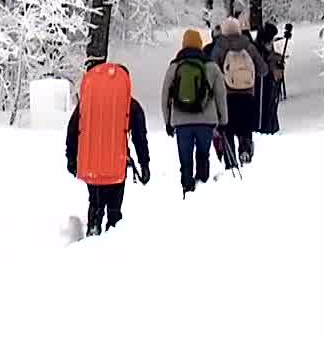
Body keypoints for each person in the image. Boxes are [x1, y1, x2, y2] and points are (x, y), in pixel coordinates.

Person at [64, 70, 151, 237]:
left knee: (95, 203)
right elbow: (140, 137)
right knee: (114, 209)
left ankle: (93, 229)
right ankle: (112, 236)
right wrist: (144, 163)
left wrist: (71, 158)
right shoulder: (130, 104)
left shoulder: (87, 103)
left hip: (91, 163)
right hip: (116, 164)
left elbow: (72, 131)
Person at [161, 29, 227, 196]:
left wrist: (167, 121)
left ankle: (187, 188)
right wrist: (223, 120)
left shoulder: (175, 67)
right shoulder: (211, 66)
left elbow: (165, 96)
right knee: (203, 154)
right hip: (206, 120)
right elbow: (220, 94)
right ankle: (202, 186)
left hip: (181, 121)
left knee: (185, 158)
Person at [208, 16, 265, 164]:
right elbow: (263, 69)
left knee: (228, 128)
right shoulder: (248, 46)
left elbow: (211, 70)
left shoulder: (220, 47)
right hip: (248, 94)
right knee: (245, 126)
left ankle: (230, 161)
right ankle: (245, 150)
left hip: (227, 97)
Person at [254, 22, 284, 135]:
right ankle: (264, 127)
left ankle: (268, 126)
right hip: (261, 86)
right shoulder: (258, 50)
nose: (272, 43)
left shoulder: (261, 47)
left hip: (267, 86)